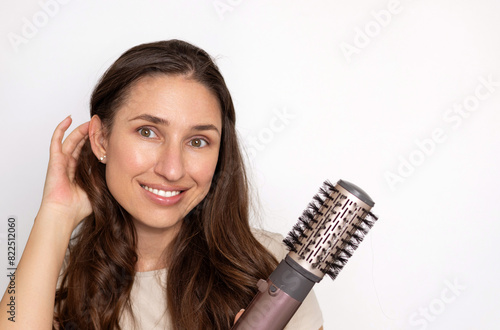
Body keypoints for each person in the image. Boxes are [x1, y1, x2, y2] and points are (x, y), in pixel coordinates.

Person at [0, 39, 323, 329]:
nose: (172, 169)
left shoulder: (272, 270)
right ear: (100, 139)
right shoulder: (51, 272)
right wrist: (55, 213)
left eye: (197, 141)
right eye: (148, 132)